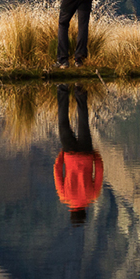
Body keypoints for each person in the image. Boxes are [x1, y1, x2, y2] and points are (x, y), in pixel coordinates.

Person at [52, 83, 103, 226]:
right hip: (69, 152)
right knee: (63, 123)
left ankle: (80, 89)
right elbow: (57, 172)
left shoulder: (92, 196)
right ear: (72, 212)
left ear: (84, 211)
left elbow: (99, 171)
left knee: (83, 121)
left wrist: (96, 156)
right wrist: (62, 154)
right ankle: (63, 88)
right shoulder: (64, 197)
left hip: (86, 153)